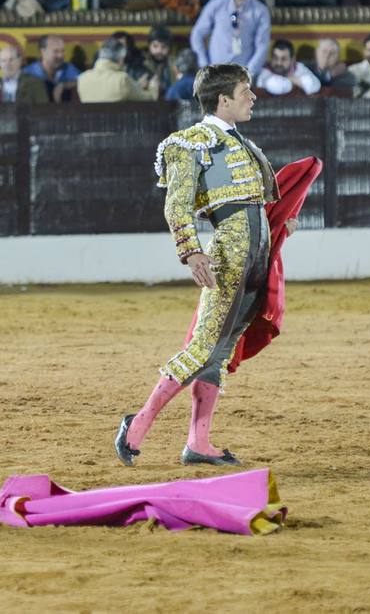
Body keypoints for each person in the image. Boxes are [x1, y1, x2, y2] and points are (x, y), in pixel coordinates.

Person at [115, 63, 294, 469]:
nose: (253, 97)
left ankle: (199, 443)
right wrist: (191, 250)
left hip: (255, 257)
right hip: (228, 257)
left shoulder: (241, 144)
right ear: (223, 99)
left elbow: (253, 204)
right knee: (202, 348)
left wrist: (280, 221)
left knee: (220, 351)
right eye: (245, 91)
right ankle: (137, 424)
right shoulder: (189, 142)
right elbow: (176, 204)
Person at [190, 0, 271, 79]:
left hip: (243, 76)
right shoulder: (215, 5)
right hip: (215, 74)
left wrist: (248, 74)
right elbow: (197, 34)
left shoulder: (260, 11)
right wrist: (204, 66)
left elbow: (262, 46)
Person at [77, 38, 153, 102]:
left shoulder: (82, 79)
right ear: (121, 59)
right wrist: (153, 88)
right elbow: (149, 99)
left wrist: (135, 86)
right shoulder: (122, 79)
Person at [23, 34, 79, 103]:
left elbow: (82, 81)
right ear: (42, 52)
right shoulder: (28, 73)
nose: (60, 55)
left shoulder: (69, 68)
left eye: (63, 51)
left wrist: (64, 85)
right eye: (56, 51)